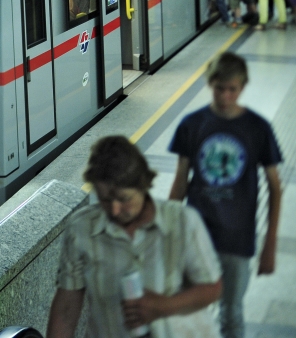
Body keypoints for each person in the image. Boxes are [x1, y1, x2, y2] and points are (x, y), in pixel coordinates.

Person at [47, 136, 223, 338]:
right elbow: (67, 307)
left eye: (124, 199)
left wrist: (163, 306)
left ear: (143, 185)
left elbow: (212, 288)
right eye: (104, 199)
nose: (114, 210)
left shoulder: (182, 221)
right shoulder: (81, 228)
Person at [169, 53, 283, 338]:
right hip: (197, 235)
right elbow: (180, 182)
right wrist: (168, 231)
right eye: (220, 88)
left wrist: (269, 243)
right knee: (190, 311)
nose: (226, 96)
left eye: (232, 89)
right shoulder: (192, 125)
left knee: (232, 313)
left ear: (242, 87)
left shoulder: (257, 128)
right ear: (211, 84)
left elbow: (275, 187)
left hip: (238, 238)